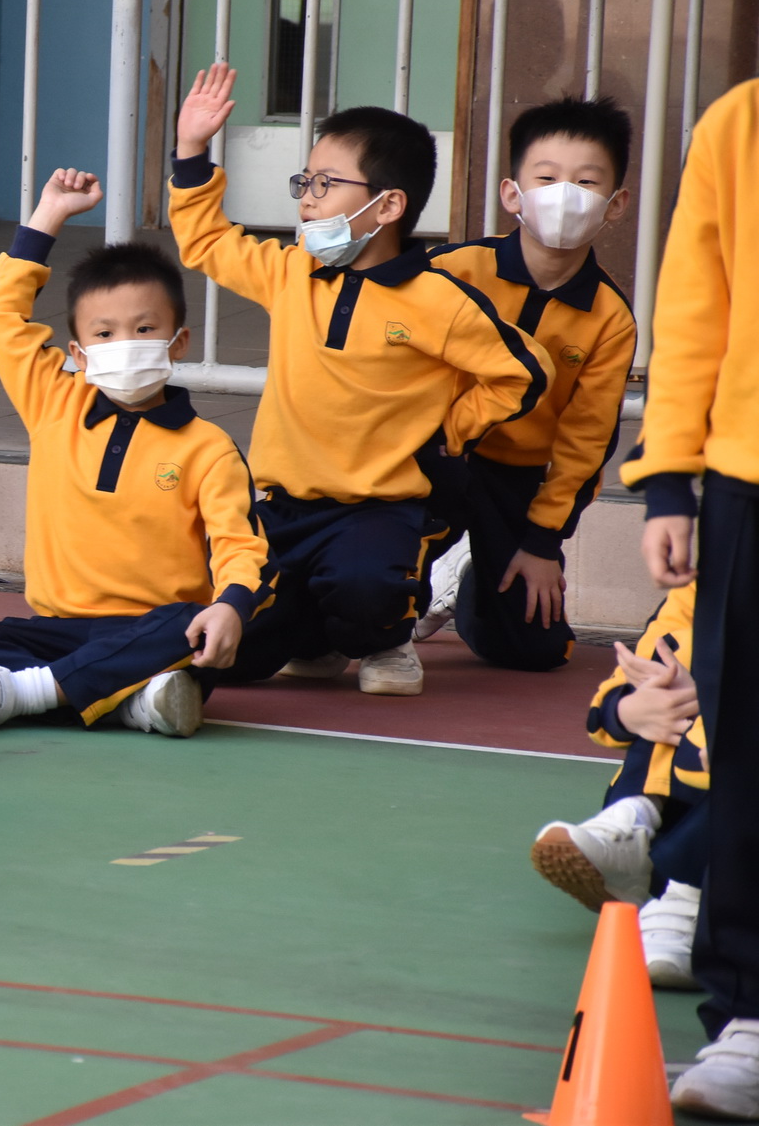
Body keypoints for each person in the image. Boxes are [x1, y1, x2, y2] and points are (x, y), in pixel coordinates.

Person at [168, 63, 549, 696]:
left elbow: (523, 372)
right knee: (233, 652)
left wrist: (451, 430)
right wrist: (190, 151)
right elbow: (206, 241)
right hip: (283, 506)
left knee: (366, 588)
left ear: (389, 205)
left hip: (379, 511)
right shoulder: (291, 272)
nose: (307, 198)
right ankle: (315, 638)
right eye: (305, 181)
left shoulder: (437, 298)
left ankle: (385, 637)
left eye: (325, 183)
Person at [0, 169, 271, 736]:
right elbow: (1, 320)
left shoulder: (208, 447)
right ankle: (128, 698)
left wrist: (230, 604)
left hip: (151, 629)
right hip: (56, 626)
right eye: (104, 334)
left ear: (178, 342)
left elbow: (241, 545)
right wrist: (49, 215)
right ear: (79, 354)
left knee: (190, 628)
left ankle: (31, 693)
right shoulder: (53, 402)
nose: (124, 344)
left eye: (144, 328)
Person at [625, 77, 759, 1118]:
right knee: (747, 750)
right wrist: (669, 476)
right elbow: (693, 307)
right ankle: (750, 1014)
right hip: (750, 477)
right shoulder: (741, 122)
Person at [418, 97, 637, 671]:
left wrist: (543, 541)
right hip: (433, 455)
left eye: (586, 182)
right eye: (547, 178)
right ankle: (412, 580)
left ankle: (467, 584)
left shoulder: (610, 318)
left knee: (537, 649)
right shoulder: (450, 270)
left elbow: (588, 440)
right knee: (377, 593)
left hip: (517, 477)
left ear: (615, 204)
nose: (565, 194)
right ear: (512, 194)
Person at [531, 585, 704, 989]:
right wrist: (628, 710)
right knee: (672, 681)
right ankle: (637, 822)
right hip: (687, 797)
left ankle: (689, 891)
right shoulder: (706, 582)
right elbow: (633, 671)